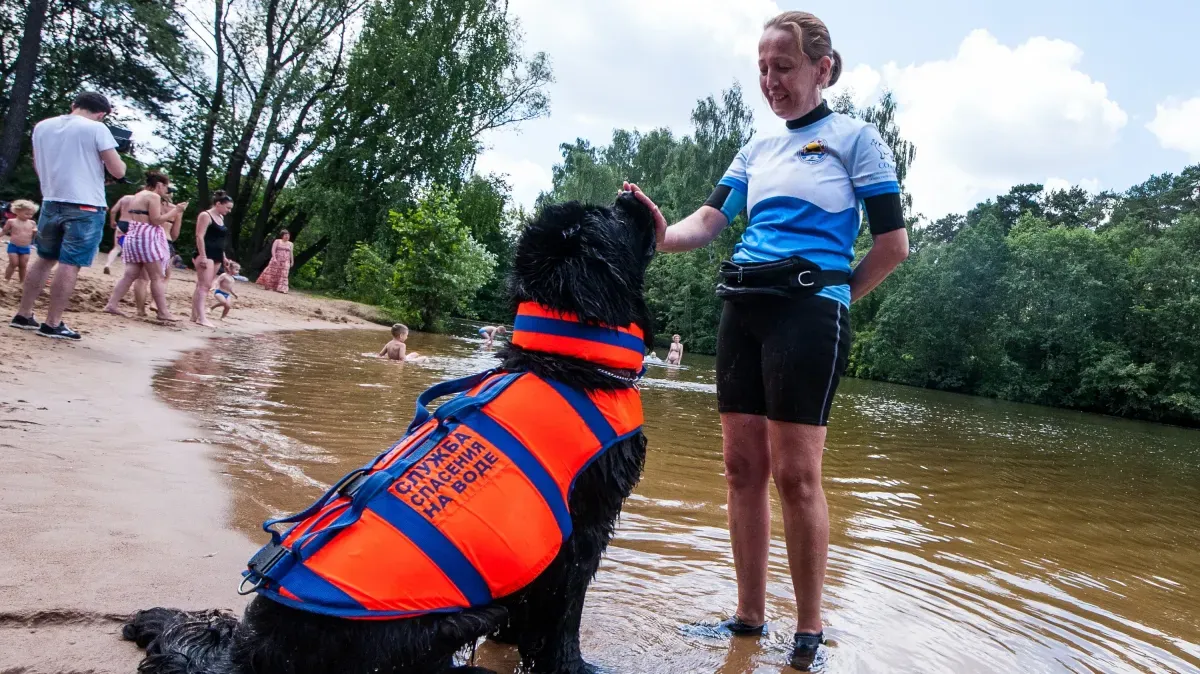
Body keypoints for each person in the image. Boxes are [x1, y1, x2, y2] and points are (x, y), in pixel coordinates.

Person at [626, 11, 910, 670]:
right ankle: (748, 621)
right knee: (741, 469)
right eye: (761, 68)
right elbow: (709, 219)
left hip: (809, 314)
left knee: (797, 476)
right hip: (744, 310)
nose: (770, 80)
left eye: (782, 67)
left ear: (823, 69)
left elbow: (893, 246)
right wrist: (662, 234)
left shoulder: (857, 141)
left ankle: (808, 633)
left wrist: (831, 297)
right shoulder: (756, 149)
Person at [9, 92, 126, 340]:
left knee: (43, 259)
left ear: (73, 105)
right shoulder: (97, 128)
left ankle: (24, 314)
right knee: (69, 263)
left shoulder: (42, 127)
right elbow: (118, 170)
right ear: (102, 113)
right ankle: (52, 323)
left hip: (51, 199)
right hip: (86, 204)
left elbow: (38, 164)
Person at [102, 171, 188, 322]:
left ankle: (112, 304)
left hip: (133, 234)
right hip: (147, 237)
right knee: (157, 276)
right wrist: (176, 211)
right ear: (159, 185)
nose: (166, 191)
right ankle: (163, 312)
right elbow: (156, 220)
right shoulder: (153, 196)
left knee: (130, 274)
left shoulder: (138, 195)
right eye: (166, 187)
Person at [191, 190, 234, 327]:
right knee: (205, 286)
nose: (229, 211)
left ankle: (194, 316)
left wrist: (224, 257)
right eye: (227, 208)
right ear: (218, 204)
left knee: (201, 285)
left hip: (217, 255)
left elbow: (219, 240)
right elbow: (199, 236)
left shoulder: (221, 218)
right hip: (205, 254)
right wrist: (202, 255)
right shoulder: (206, 215)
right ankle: (202, 318)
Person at [3, 200, 39, 282]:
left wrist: (35, 232)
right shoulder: (11, 221)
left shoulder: (32, 223)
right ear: (17, 211)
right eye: (27, 214)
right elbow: (4, 231)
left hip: (26, 247)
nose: (29, 216)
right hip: (13, 246)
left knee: (23, 265)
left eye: (31, 214)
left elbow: (34, 236)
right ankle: (6, 279)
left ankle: (22, 281)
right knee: (13, 263)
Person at [102, 193, 133, 275]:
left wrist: (113, 221)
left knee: (117, 248)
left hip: (122, 224)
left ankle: (107, 264)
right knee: (130, 250)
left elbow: (113, 210)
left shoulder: (125, 197)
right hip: (133, 225)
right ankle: (127, 271)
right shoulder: (140, 200)